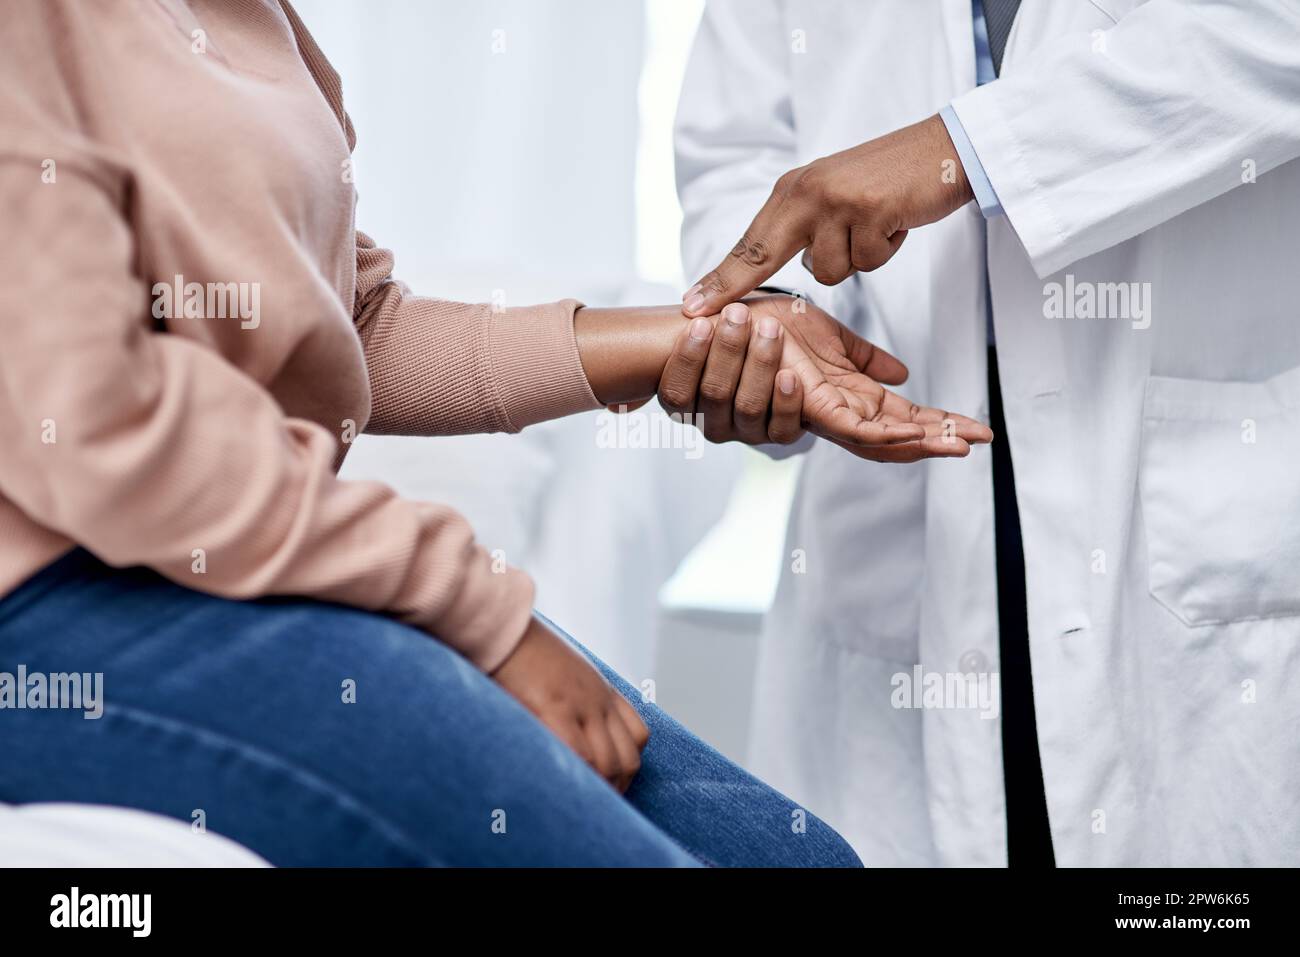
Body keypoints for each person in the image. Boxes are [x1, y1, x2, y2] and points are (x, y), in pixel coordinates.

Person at [0, 0, 996, 866]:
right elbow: (101, 426)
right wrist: (477, 610)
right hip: (48, 604)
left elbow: (350, 324)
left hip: (221, 570)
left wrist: (702, 334)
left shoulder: (254, 19)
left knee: (803, 862)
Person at [669, 0, 1300, 866]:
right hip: (901, 478)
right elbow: (740, 149)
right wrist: (776, 328)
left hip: (1184, 472)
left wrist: (970, 148)